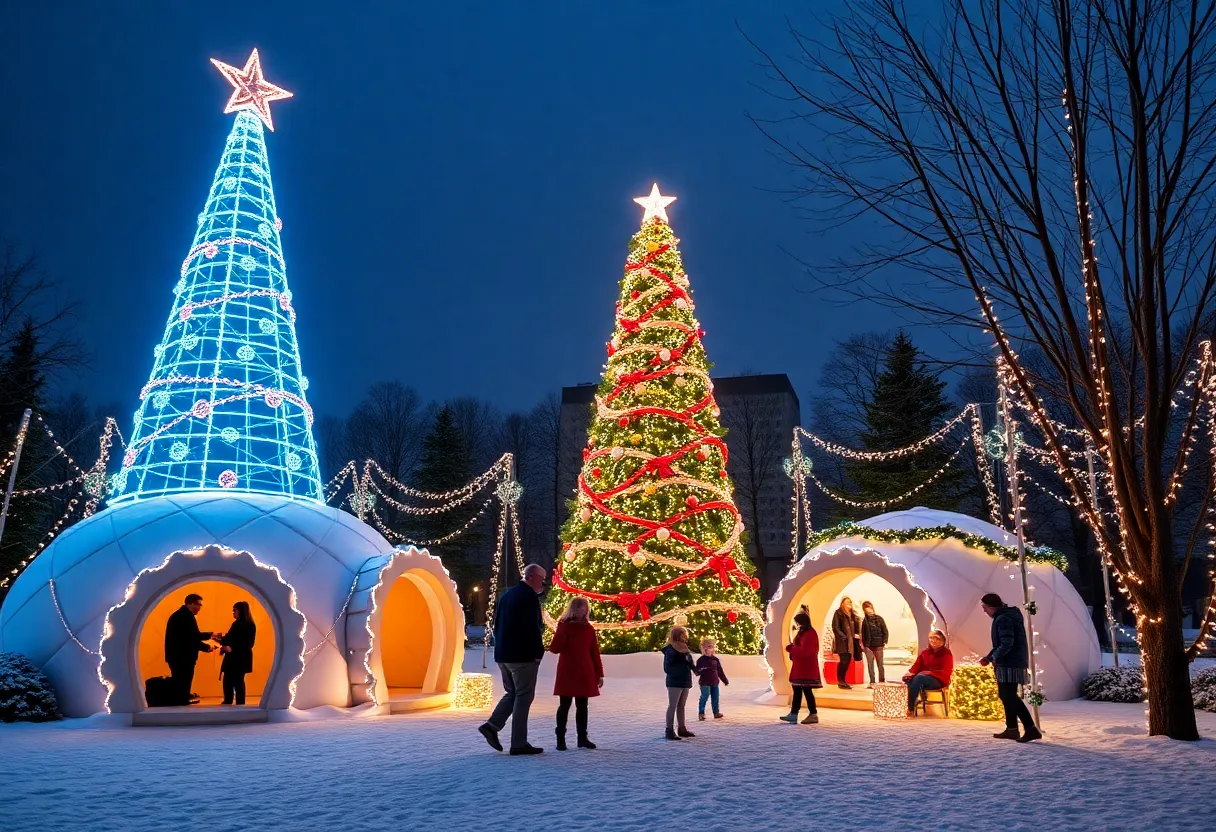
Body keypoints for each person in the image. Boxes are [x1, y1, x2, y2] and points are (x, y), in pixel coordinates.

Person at [480, 564, 547, 755]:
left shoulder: (507, 595)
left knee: (512, 693)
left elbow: (497, 624)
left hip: (504, 654)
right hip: (522, 656)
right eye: (542, 579)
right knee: (524, 696)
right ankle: (518, 743)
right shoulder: (528, 598)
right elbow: (532, 628)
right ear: (532, 576)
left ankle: (492, 726)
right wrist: (537, 653)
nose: (543, 583)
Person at [979, 593, 1042, 743]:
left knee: (1009, 696)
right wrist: (989, 657)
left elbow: (1007, 643)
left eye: (985, 608)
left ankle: (1031, 729)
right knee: (1006, 695)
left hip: (1010, 664)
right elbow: (1001, 644)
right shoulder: (1006, 616)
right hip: (1011, 662)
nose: (984, 611)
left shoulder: (1003, 619)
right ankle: (1012, 728)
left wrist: (994, 658)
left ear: (991, 607)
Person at [548, 596, 603, 751]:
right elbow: (555, 648)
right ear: (573, 609)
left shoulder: (588, 628)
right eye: (579, 607)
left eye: (584, 608)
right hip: (568, 669)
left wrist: (599, 673)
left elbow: (594, 652)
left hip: (585, 670)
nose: (582, 610)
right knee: (564, 705)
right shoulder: (564, 626)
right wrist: (563, 632)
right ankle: (560, 738)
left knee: (582, 705)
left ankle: (582, 737)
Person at [164, 593, 221, 706]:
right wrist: (208, 647)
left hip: (178, 656)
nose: (200, 608)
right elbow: (191, 639)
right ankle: (181, 703)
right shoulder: (185, 616)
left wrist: (211, 635)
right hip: (182, 657)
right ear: (191, 603)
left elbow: (192, 635)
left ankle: (181, 700)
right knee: (183, 681)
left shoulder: (181, 615)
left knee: (181, 681)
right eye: (199, 604)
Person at [780, 605, 822, 725]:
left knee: (806, 690)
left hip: (806, 668)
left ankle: (812, 714)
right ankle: (794, 714)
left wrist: (791, 648)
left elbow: (805, 651)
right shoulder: (805, 632)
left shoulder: (808, 634)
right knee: (798, 689)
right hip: (802, 667)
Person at [902, 629, 953, 716]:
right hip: (923, 677)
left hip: (938, 680)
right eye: (931, 638)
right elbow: (916, 666)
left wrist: (929, 673)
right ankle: (911, 706)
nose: (933, 640)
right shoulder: (925, 653)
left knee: (919, 678)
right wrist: (910, 674)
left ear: (942, 641)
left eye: (936, 638)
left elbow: (946, 671)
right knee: (910, 679)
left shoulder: (946, 653)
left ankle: (910, 708)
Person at [218, 601, 256, 706]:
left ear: (240, 611)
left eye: (234, 610)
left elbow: (248, 643)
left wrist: (231, 648)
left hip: (238, 658)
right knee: (231, 680)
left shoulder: (245, 625)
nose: (233, 612)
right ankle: (232, 701)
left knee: (236, 680)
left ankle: (235, 702)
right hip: (238, 657)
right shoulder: (245, 624)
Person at [662, 626, 696, 740]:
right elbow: (667, 668)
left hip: (685, 680)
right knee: (673, 705)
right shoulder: (670, 650)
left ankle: (682, 728)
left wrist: (697, 670)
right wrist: (680, 669)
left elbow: (690, 664)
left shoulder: (685, 649)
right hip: (675, 682)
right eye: (682, 634)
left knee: (681, 705)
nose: (685, 637)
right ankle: (669, 730)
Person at [694, 637, 729, 721]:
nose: (711, 649)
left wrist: (724, 680)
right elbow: (697, 672)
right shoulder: (701, 660)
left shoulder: (715, 659)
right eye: (709, 647)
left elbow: (720, 671)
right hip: (704, 682)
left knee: (715, 697)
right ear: (704, 648)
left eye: (712, 646)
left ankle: (716, 712)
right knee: (704, 696)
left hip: (714, 682)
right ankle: (701, 713)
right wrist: (701, 669)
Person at [831, 596, 862, 689]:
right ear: (842, 603)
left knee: (847, 661)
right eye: (847, 602)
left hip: (851, 643)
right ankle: (840, 681)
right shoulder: (838, 613)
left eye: (850, 603)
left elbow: (857, 625)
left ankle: (843, 681)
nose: (849, 605)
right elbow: (835, 627)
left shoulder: (852, 615)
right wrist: (843, 637)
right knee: (843, 661)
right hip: (843, 642)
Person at [860, 601, 889, 687]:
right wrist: (864, 644)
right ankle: (872, 681)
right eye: (866, 608)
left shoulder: (879, 619)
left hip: (879, 645)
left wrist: (885, 641)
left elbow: (885, 630)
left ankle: (881, 681)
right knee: (870, 664)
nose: (868, 610)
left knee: (880, 664)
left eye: (869, 608)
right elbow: (863, 633)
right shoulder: (864, 621)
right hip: (868, 646)